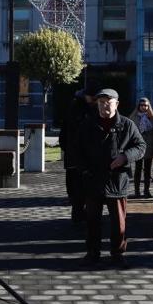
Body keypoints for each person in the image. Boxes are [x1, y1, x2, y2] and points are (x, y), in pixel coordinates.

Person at [77, 88, 146, 266]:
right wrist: (84, 170)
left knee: (119, 222)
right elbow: (77, 149)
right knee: (92, 220)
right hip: (93, 180)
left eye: (108, 102)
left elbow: (141, 146)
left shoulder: (127, 125)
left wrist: (125, 157)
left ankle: (117, 253)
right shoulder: (88, 123)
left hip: (117, 181)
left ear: (116, 104)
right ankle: (93, 252)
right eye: (101, 102)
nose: (104, 105)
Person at [60, 89, 95, 221]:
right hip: (82, 156)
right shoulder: (87, 112)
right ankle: (84, 215)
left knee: (75, 187)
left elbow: (63, 135)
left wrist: (67, 148)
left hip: (72, 155)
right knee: (83, 187)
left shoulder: (72, 110)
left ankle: (77, 215)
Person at [128, 97, 153, 197]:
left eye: (146, 105)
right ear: (138, 106)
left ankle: (147, 191)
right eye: (142, 105)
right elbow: (129, 133)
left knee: (147, 171)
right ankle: (137, 191)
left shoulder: (152, 118)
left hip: (149, 147)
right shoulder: (133, 117)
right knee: (137, 170)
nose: (144, 107)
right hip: (137, 147)